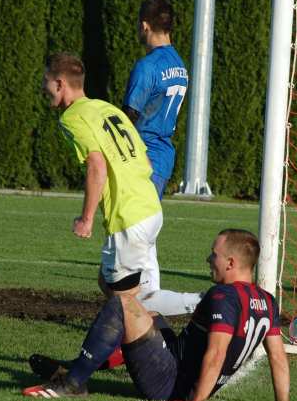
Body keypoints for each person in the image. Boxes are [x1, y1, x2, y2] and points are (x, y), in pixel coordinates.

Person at [23, 229, 293, 401]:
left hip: (171, 384)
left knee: (121, 305)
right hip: (181, 371)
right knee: (151, 316)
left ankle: (72, 383)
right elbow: (278, 358)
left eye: (214, 254)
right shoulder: (267, 300)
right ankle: (75, 367)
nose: (208, 259)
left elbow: (217, 352)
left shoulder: (222, 296)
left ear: (231, 263)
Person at [42, 52, 202, 318]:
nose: (42, 87)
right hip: (149, 208)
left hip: (128, 218)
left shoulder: (71, 118)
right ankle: (163, 342)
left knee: (123, 301)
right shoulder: (107, 109)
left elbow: (97, 166)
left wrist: (86, 219)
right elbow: (146, 161)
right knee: (118, 287)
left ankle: (205, 303)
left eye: (45, 81)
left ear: (59, 84)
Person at [122, 0, 188, 200]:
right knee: (146, 227)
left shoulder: (147, 66)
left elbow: (129, 116)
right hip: (163, 157)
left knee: (131, 227)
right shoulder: (179, 65)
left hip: (143, 157)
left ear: (144, 26)